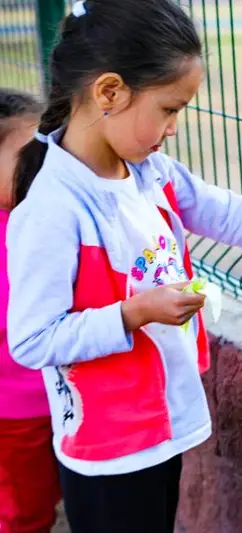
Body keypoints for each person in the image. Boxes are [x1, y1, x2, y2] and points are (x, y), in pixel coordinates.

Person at [6, 1, 242, 532]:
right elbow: (34, 340)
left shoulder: (148, 169)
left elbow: (223, 210)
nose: (174, 128)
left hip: (160, 427)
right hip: (108, 450)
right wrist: (133, 314)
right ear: (109, 92)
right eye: (170, 109)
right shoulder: (54, 209)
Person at [0, 89, 62, 533]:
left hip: (58, 402)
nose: (41, 168)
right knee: (26, 513)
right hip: (16, 415)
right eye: (27, 155)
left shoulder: (40, 217)